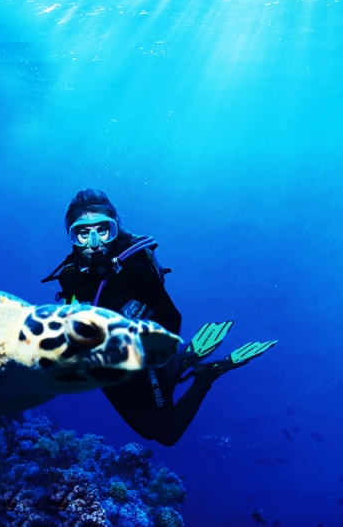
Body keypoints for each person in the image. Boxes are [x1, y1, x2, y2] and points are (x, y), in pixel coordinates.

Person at [42, 189, 275, 446]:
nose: (94, 242)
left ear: (115, 228)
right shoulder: (71, 275)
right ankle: (183, 364)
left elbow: (172, 318)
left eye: (103, 230)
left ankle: (204, 378)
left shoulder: (133, 271)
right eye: (83, 233)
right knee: (145, 431)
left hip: (145, 359)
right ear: (72, 237)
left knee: (166, 434)